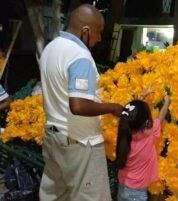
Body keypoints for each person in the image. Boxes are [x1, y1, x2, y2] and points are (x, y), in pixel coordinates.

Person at [39, 4, 123, 201]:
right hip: (80, 142)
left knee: (56, 195)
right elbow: (78, 105)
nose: (99, 39)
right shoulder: (80, 55)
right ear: (86, 30)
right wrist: (113, 107)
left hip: (54, 137)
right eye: (98, 32)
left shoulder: (51, 48)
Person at [116, 94, 170, 201]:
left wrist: (143, 95)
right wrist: (167, 101)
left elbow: (132, 114)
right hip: (138, 194)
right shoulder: (148, 135)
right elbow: (161, 116)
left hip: (123, 189)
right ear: (145, 122)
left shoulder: (124, 137)